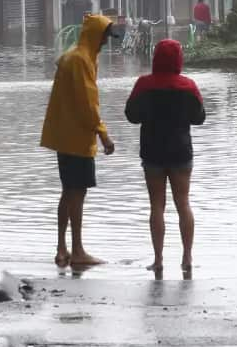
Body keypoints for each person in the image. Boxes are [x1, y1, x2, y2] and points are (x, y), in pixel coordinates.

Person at [125, 39, 205, 274]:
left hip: (153, 153)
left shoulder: (143, 85)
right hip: (181, 152)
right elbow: (199, 118)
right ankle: (187, 257)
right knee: (183, 203)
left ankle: (159, 259)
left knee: (156, 206)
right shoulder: (188, 86)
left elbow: (131, 115)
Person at [41, 14, 116, 267]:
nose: (106, 42)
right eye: (105, 36)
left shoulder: (73, 56)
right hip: (77, 138)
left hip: (65, 136)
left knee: (68, 192)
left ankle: (62, 248)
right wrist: (103, 133)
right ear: (97, 35)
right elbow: (88, 104)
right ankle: (77, 250)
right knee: (77, 193)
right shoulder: (81, 60)